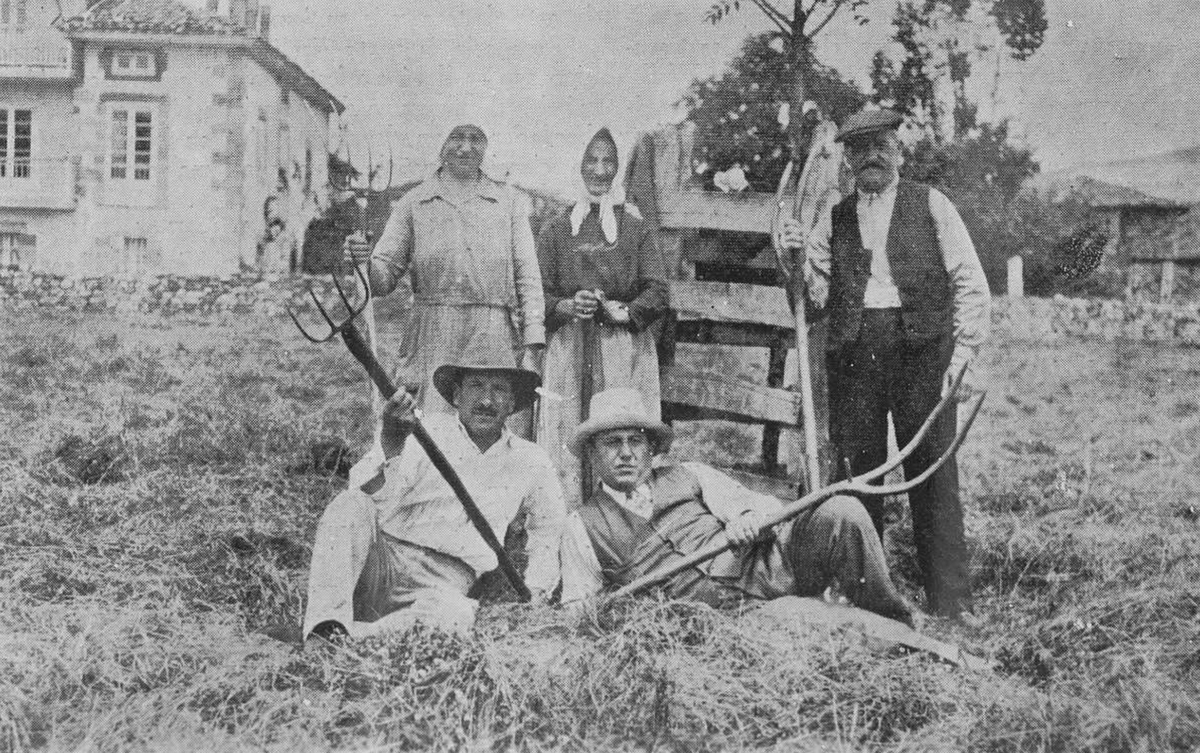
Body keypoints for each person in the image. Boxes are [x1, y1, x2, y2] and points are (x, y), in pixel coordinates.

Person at [781, 107, 990, 620]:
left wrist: (963, 356)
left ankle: (951, 601)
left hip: (923, 352)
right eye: (860, 149)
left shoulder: (931, 204)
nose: (871, 156)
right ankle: (865, 596)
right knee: (860, 475)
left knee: (932, 473)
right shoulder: (835, 219)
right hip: (855, 356)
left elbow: (970, 282)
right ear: (848, 160)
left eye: (881, 146)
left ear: (899, 151)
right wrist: (796, 258)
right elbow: (815, 297)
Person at [558, 388, 914, 624]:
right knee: (822, 623)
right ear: (592, 453)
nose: (626, 453)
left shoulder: (690, 474)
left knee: (842, 511)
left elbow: (760, 506)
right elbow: (578, 610)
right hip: (728, 617)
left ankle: (895, 617)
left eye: (635, 441)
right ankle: (885, 637)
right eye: (612, 443)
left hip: (770, 566)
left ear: (650, 448)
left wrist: (747, 518)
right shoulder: (582, 527)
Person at [301, 341, 566, 641]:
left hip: (445, 585)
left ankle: (346, 636)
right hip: (385, 562)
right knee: (350, 503)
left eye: (499, 389)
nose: (486, 400)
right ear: (457, 395)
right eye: (476, 386)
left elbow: (549, 529)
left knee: (455, 615)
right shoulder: (423, 431)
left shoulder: (531, 460)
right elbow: (367, 495)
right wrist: (391, 442)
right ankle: (325, 623)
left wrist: (538, 591)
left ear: (512, 403)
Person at [349, 123, 546, 416]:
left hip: (493, 336)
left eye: (476, 138)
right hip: (433, 337)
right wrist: (363, 261)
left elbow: (528, 278)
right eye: (456, 137)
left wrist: (532, 346)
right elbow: (382, 278)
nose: (466, 148)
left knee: (487, 422)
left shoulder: (509, 203)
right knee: (431, 426)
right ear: (440, 143)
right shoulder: (414, 202)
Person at [536, 128, 670, 505]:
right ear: (580, 167)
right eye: (591, 161)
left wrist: (625, 311)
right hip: (569, 349)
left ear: (617, 169)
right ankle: (566, 515)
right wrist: (565, 305)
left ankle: (624, 513)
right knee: (566, 432)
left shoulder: (634, 227)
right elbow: (535, 293)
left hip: (621, 349)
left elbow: (658, 290)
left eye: (608, 161)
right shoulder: (556, 229)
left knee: (619, 430)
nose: (599, 170)